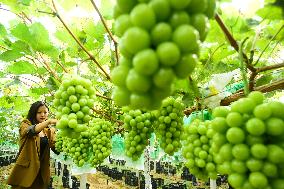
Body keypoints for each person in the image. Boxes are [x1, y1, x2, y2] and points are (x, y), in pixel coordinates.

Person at [7, 101, 58, 189]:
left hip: (41, 170)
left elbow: (56, 148)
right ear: (33, 113)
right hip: (27, 170)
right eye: (39, 112)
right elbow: (31, 131)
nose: (43, 115)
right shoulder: (25, 124)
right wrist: (48, 121)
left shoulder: (49, 131)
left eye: (45, 112)